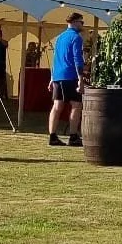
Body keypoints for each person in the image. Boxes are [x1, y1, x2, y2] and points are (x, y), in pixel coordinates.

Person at [47, 11, 85, 148]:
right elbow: (77, 58)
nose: (82, 25)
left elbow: (55, 58)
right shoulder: (76, 37)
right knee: (76, 105)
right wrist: (81, 78)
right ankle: (73, 135)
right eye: (82, 22)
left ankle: (52, 135)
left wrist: (52, 77)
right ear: (75, 22)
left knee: (57, 106)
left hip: (58, 75)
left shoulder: (60, 37)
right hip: (70, 75)